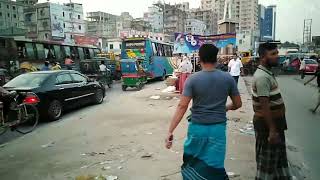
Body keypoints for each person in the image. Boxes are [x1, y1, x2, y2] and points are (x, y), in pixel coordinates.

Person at [165, 44, 242, 180]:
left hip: (197, 129)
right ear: (216, 58)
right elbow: (238, 104)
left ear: (200, 58)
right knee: (214, 167)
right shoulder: (228, 78)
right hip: (218, 130)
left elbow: (182, 107)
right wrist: (225, 108)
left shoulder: (192, 80)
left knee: (193, 163)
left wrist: (170, 131)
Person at [252, 42, 291, 180]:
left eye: (277, 53)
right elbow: (264, 106)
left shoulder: (266, 74)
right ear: (263, 57)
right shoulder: (262, 77)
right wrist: (272, 131)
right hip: (267, 127)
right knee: (266, 166)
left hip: (274, 125)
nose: (277, 56)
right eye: (273, 54)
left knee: (278, 163)